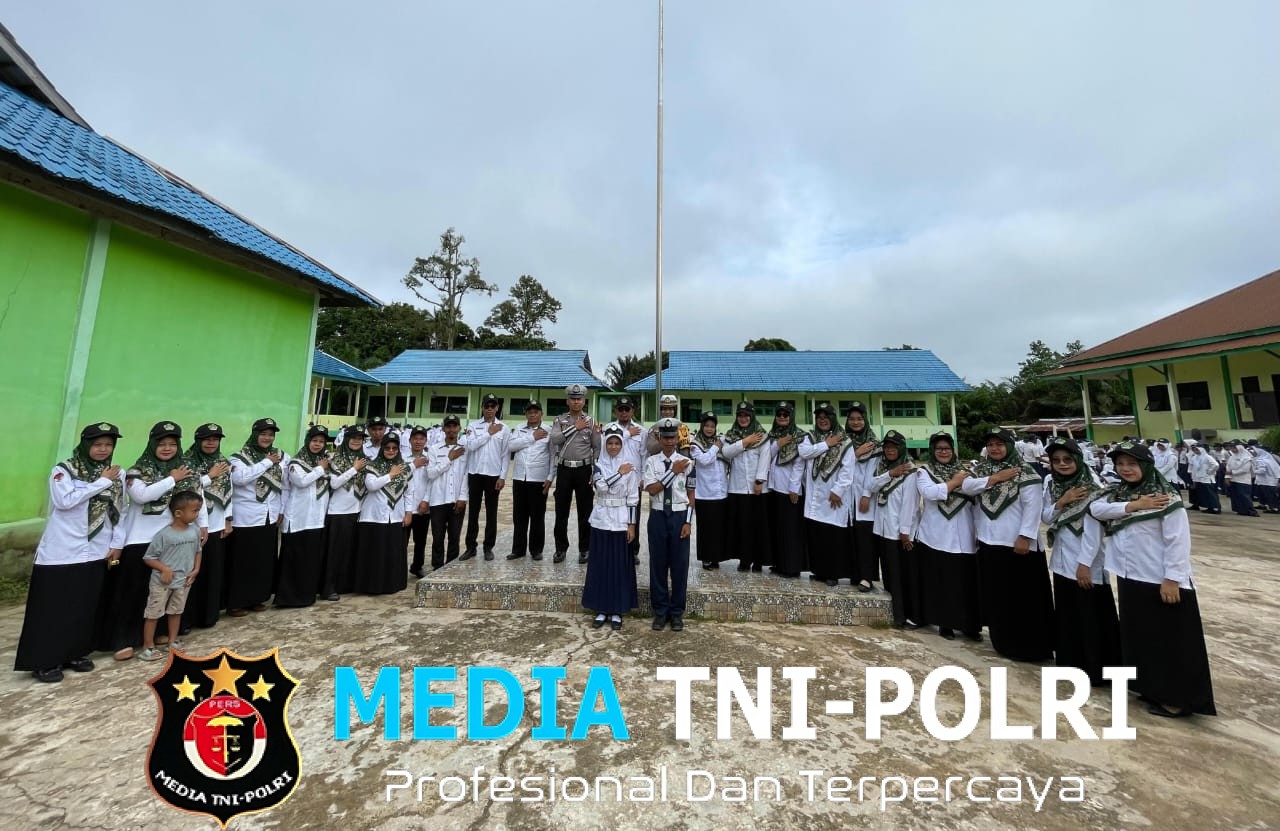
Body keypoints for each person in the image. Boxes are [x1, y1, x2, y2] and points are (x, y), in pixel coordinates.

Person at [1089, 441, 1216, 718]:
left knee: (1169, 640)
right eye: (1120, 464)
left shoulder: (1166, 498)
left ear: (1145, 466)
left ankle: (1177, 699)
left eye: (1132, 464)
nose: (1125, 470)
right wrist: (1134, 505)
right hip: (1128, 575)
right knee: (1141, 637)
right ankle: (1150, 688)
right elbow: (1096, 510)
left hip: (1158, 578)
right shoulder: (1117, 494)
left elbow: (1177, 542)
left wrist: (1172, 578)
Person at [15, 422, 125, 683]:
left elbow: (121, 510)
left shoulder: (116, 474)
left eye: (108, 445)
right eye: (97, 444)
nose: (103, 449)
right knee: (53, 608)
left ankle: (75, 652)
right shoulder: (64, 471)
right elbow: (65, 501)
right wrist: (101, 482)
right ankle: (44, 660)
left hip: (97, 549)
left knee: (84, 606)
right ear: (86, 444)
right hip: (62, 550)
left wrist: (117, 543)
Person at [100, 421, 202, 660]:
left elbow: (197, 499)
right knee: (134, 593)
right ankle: (125, 640)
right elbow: (141, 496)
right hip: (141, 541)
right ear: (152, 444)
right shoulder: (137, 471)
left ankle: (159, 635)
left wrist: (201, 525)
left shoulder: (185, 471)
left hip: (171, 541)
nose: (167, 448)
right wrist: (171, 479)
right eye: (162, 444)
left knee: (164, 593)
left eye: (172, 444)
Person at [962, 429, 1054, 662]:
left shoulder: (1025, 472)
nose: (995, 448)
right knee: (998, 596)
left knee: (1024, 598)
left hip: (1018, 545)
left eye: (1000, 444)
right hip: (990, 541)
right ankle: (1003, 642)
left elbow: (1033, 508)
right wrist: (994, 479)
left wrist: (1025, 537)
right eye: (991, 444)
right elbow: (967, 487)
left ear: (1010, 446)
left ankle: (1031, 647)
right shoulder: (983, 471)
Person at [1042, 437, 1120, 685]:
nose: (1062, 464)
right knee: (1067, 613)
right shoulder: (1051, 483)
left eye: (1067, 459)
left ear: (1077, 458)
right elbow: (1046, 517)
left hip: (1087, 562)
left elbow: (1094, 531)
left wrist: (1085, 563)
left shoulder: (1094, 486)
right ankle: (1070, 662)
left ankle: (1096, 669)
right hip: (1062, 559)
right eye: (1056, 460)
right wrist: (1062, 501)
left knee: (1091, 615)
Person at [912, 432, 981, 639]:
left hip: (964, 534)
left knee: (966, 582)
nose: (943, 452)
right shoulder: (924, 471)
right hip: (936, 535)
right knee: (941, 581)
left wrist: (957, 482)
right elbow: (929, 493)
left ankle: (970, 626)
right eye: (939, 449)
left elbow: (976, 492)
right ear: (933, 451)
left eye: (947, 448)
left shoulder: (967, 471)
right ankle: (945, 623)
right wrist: (954, 483)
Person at [582, 425, 640, 631]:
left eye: (617, 443)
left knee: (618, 567)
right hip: (601, 519)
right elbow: (602, 487)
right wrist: (618, 473)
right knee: (600, 564)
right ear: (605, 445)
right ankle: (600, 608)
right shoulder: (597, 465)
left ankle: (617, 610)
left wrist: (632, 526)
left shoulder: (630, 467)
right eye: (610, 443)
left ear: (622, 444)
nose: (614, 446)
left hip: (621, 519)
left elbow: (633, 498)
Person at [227, 418, 287, 616]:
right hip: (246, 516)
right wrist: (267, 462)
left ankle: (257, 598)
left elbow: (285, 484)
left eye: (271, 434)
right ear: (255, 434)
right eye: (263, 434)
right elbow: (240, 478)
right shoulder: (238, 458)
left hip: (269, 515)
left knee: (263, 560)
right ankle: (237, 602)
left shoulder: (281, 456)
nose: (267, 438)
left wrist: (282, 509)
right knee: (243, 561)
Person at [137, 491, 203, 661]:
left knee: (176, 611)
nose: (197, 514)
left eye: (198, 510)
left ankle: (172, 641)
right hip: (161, 583)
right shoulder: (164, 535)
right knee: (153, 613)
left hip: (183, 582)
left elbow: (198, 551)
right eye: (194, 511)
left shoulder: (195, 531)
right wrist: (164, 569)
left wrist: (196, 570)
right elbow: (148, 557)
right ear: (178, 513)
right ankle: (148, 646)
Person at [181, 422, 233, 631]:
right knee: (191, 572)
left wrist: (228, 519)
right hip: (193, 525)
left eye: (215, 440)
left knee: (212, 571)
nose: (211, 443)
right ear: (198, 440)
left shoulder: (223, 461)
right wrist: (210, 476)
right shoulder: (186, 462)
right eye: (207, 439)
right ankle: (186, 618)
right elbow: (185, 487)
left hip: (217, 523)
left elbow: (230, 491)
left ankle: (208, 615)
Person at [798, 404, 856, 587]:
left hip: (833, 497)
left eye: (826, 416)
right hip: (815, 495)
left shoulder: (844, 441)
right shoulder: (810, 437)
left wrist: (838, 491)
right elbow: (804, 453)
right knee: (816, 535)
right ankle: (819, 571)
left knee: (833, 537)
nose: (822, 420)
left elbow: (848, 469)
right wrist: (826, 444)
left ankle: (833, 573)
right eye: (819, 417)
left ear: (833, 418)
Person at [864, 431, 918, 627]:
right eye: (887, 447)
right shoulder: (883, 467)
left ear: (901, 448)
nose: (890, 451)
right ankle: (893, 614)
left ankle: (903, 616)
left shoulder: (910, 472)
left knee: (899, 577)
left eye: (894, 447)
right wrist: (890, 474)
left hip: (898, 533)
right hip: (882, 529)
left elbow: (909, 505)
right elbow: (870, 485)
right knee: (888, 574)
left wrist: (905, 532)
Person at [644, 418, 693, 631]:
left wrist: (689, 522)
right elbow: (653, 490)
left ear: (677, 439)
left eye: (672, 437)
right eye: (665, 437)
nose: (669, 441)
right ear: (659, 438)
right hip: (657, 516)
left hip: (679, 516)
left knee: (680, 567)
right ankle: (660, 611)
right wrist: (673, 471)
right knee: (658, 565)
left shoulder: (687, 462)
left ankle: (676, 612)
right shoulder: (651, 462)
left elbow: (691, 494)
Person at [276, 425, 331, 607]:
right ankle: (288, 598)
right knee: (294, 559)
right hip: (298, 519)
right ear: (308, 441)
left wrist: (323, 467)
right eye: (315, 441)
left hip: (316, 520)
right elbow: (301, 481)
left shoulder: (325, 462)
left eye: (321, 442)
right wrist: (320, 469)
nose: (317, 444)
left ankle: (307, 596)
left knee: (310, 560)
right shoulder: (296, 463)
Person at [356, 432, 415, 594]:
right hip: (373, 516)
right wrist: (390, 475)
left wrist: (408, 512)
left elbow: (409, 492)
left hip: (395, 516)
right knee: (374, 554)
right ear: (382, 449)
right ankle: (372, 586)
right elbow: (371, 486)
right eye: (387, 448)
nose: (391, 451)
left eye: (394, 448)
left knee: (392, 552)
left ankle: (392, 584)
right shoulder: (372, 466)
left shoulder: (404, 467)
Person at [549, 383, 600, 564]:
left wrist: (595, 471)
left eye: (579, 399)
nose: (576, 402)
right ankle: (560, 549)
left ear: (584, 401)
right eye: (573, 398)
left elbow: (596, 447)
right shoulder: (559, 420)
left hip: (584, 469)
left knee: (585, 512)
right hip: (564, 469)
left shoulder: (592, 421)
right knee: (561, 512)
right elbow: (555, 439)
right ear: (567, 401)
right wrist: (575, 427)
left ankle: (585, 549)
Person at [721, 402, 772, 572]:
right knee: (742, 527)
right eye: (740, 415)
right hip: (737, 488)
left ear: (752, 416)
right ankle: (744, 559)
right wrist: (744, 442)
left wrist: (759, 481)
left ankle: (758, 561)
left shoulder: (762, 436)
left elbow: (765, 458)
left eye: (746, 415)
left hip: (758, 489)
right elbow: (726, 453)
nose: (743, 419)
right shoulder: (731, 434)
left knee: (759, 526)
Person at [461, 393, 510, 561]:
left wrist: (502, 476)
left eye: (493, 406)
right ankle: (470, 547)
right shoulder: (473, 426)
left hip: (493, 475)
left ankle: (488, 547)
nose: (489, 409)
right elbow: (471, 446)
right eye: (486, 406)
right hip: (475, 474)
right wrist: (488, 433)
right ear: (482, 407)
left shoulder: (504, 428)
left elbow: (505, 455)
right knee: (473, 512)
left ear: (497, 408)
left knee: (492, 513)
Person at [323, 425, 369, 598]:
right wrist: (354, 469)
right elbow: (334, 484)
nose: (357, 441)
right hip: (338, 512)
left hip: (356, 511)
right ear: (346, 439)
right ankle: (328, 587)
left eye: (360, 438)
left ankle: (344, 585)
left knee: (348, 551)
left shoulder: (365, 460)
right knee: (334, 552)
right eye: (353, 437)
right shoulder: (336, 459)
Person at [764, 403, 806, 577]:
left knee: (790, 530)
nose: (782, 417)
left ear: (792, 417)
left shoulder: (800, 436)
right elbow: (765, 456)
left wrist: (794, 488)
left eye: (786, 414)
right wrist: (777, 445)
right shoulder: (772, 436)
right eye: (779, 414)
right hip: (773, 487)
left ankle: (791, 567)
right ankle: (779, 563)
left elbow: (800, 463)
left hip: (790, 490)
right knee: (778, 528)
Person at [507, 401, 552, 560]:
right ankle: (518, 550)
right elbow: (511, 446)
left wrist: (550, 477)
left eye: (536, 411)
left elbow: (553, 455)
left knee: (537, 516)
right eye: (530, 412)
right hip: (520, 477)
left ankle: (536, 550)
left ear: (541, 413)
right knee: (519, 516)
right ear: (526, 414)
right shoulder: (519, 429)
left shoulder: (548, 431)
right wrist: (531, 437)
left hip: (538, 479)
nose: (533, 414)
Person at [844, 402, 881, 592]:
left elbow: (873, 472)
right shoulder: (843, 440)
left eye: (859, 419)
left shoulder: (873, 443)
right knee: (850, 536)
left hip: (864, 497)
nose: (856, 422)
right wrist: (855, 454)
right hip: (847, 497)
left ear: (865, 420)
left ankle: (867, 577)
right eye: (851, 419)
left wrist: (867, 494)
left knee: (865, 537)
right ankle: (853, 573)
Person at [425, 415, 469, 570]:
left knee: (454, 536)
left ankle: (451, 567)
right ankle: (437, 567)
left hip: (456, 499)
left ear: (459, 428)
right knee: (437, 537)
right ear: (443, 429)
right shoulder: (434, 449)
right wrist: (449, 459)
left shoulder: (464, 450)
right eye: (448, 426)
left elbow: (466, 475)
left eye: (454, 426)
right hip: (438, 499)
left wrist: (462, 497)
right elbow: (430, 474)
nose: (451, 430)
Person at [688, 411, 728, 570]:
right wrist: (716, 447)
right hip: (704, 493)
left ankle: (716, 557)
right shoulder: (695, 444)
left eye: (712, 426)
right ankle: (706, 557)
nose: (710, 429)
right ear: (701, 426)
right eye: (707, 426)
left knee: (718, 528)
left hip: (721, 492)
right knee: (706, 528)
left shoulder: (720, 442)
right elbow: (704, 460)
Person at [611, 396, 647, 563]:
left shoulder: (641, 431)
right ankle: (617, 549)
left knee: (634, 516)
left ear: (633, 411)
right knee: (616, 515)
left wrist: (642, 478)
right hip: (615, 480)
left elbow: (644, 456)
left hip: (634, 481)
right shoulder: (610, 428)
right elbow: (608, 447)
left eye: (627, 409)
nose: (624, 412)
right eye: (621, 409)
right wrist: (626, 434)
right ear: (616, 411)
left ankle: (633, 551)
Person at [407, 426, 433, 577]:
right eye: (415, 438)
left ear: (425, 441)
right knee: (402, 541)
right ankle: (397, 567)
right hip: (405, 508)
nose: (418, 441)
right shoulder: (402, 457)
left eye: (421, 438)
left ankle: (417, 566)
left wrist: (426, 500)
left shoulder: (430, 459)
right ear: (410, 440)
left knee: (420, 540)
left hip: (422, 506)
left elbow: (431, 482)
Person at [1225, 441, 1259, 516]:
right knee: (1236, 496)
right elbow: (1228, 467)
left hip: (1243, 480)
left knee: (1244, 496)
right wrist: (1227, 477)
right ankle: (1241, 510)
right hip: (1233, 479)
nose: (1233, 449)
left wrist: (1232, 473)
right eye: (1232, 448)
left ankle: (1251, 511)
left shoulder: (1247, 457)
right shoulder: (1232, 457)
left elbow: (1245, 470)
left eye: (1234, 447)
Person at [1188, 444, 1222, 514]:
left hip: (1206, 478)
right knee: (1198, 493)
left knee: (1210, 494)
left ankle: (1215, 508)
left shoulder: (1207, 457)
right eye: (1194, 449)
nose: (1195, 451)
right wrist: (1192, 477)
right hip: (1197, 478)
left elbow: (1216, 465)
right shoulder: (1194, 457)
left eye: (1197, 449)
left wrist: (1210, 472)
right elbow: (1192, 467)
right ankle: (1197, 505)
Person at [1251, 444, 1280, 513]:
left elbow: (1262, 471)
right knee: (1271, 495)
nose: (1253, 452)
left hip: (1267, 481)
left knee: (1270, 495)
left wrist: (1253, 471)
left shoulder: (1261, 460)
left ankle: (1274, 508)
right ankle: (1273, 507)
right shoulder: (1268, 459)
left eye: (1255, 451)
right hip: (1271, 480)